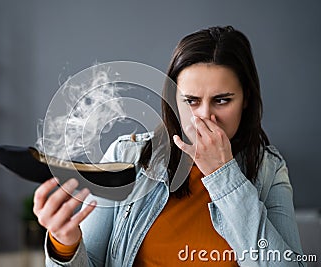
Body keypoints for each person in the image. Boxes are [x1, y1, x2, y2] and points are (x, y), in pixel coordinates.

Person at [33, 26, 305, 266]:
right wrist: (64, 243)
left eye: (222, 100)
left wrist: (223, 175)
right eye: (191, 101)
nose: (205, 116)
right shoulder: (125, 157)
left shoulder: (269, 170)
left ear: (246, 99)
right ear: (174, 99)